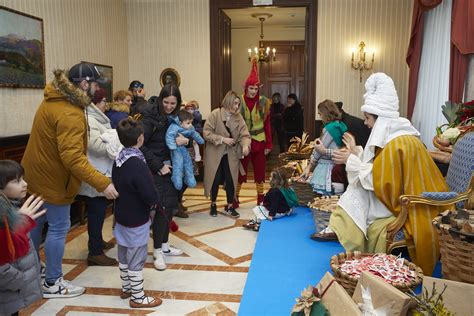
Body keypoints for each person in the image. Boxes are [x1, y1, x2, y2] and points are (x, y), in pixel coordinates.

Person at [319, 73, 448, 275]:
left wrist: (351, 160)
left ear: (381, 120)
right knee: (357, 189)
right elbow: (380, 171)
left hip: (412, 204)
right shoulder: (395, 137)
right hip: (398, 195)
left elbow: (381, 181)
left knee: (358, 190)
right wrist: (356, 153)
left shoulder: (399, 142)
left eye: (368, 118)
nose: (366, 123)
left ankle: (343, 230)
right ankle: (342, 230)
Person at [22, 62, 119, 298]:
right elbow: (73, 158)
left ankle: (34, 273)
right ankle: (53, 282)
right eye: (94, 84)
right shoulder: (71, 113)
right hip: (53, 181)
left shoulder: (52, 100)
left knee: (36, 226)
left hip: (33, 176)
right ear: (84, 84)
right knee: (58, 228)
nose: (96, 89)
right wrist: (103, 182)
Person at [112, 118, 161, 308]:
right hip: (136, 217)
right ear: (140, 138)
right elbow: (149, 193)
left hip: (121, 214)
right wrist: (155, 202)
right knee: (137, 256)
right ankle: (138, 296)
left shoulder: (119, 158)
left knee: (123, 251)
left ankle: (126, 287)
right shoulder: (138, 163)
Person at [140, 84, 187, 271]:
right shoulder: (149, 117)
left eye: (173, 103)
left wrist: (184, 140)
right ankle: (157, 250)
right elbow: (140, 145)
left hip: (171, 167)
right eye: (166, 102)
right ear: (160, 100)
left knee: (170, 207)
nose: (168, 106)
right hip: (156, 169)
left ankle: (165, 246)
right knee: (161, 209)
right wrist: (158, 166)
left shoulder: (175, 116)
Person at [77, 88, 122, 266]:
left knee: (100, 211)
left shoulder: (99, 118)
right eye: (104, 102)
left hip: (101, 171)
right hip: (94, 173)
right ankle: (95, 252)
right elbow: (94, 145)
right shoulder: (89, 119)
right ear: (95, 103)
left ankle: (97, 242)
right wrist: (116, 144)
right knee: (96, 212)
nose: (106, 105)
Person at [0, 160, 45, 316]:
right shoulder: (2, 216)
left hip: (10, 291)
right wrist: (20, 279)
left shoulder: (11, 208)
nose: (25, 184)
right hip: (8, 288)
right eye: (17, 181)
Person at [203, 91, 251, 217]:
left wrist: (245, 145)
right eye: (235, 103)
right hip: (215, 153)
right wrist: (223, 139)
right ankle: (213, 204)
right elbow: (206, 133)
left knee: (231, 179)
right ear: (228, 102)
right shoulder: (215, 114)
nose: (237, 106)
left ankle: (230, 206)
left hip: (231, 154)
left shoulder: (238, 117)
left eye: (238, 104)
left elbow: (245, 135)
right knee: (215, 178)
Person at [235, 58, 273, 207]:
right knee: (241, 170)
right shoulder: (238, 100)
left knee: (260, 171)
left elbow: (267, 124)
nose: (253, 91)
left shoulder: (264, 101)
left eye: (256, 89)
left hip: (259, 141)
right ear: (246, 88)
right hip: (243, 142)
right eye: (251, 88)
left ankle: (260, 198)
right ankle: (235, 197)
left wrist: (269, 143)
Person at [300, 100, 347, 195]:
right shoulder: (341, 125)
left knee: (324, 197)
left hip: (326, 168)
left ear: (325, 113)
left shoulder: (329, 128)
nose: (320, 117)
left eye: (320, 114)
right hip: (337, 166)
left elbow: (319, 150)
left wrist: (309, 166)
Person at [165, 110, 204, 190]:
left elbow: (194, 133)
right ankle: (176, 179)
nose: (190, 125)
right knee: (178, 163)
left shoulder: (190, 127)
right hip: (176, 150)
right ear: (180, 123)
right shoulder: (174, 127)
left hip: (184, 149)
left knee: (188, 163)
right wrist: (172, 146)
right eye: (188, 123)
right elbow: (169, 136)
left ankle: (189, 179)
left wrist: (200, 140)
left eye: (191, 123)